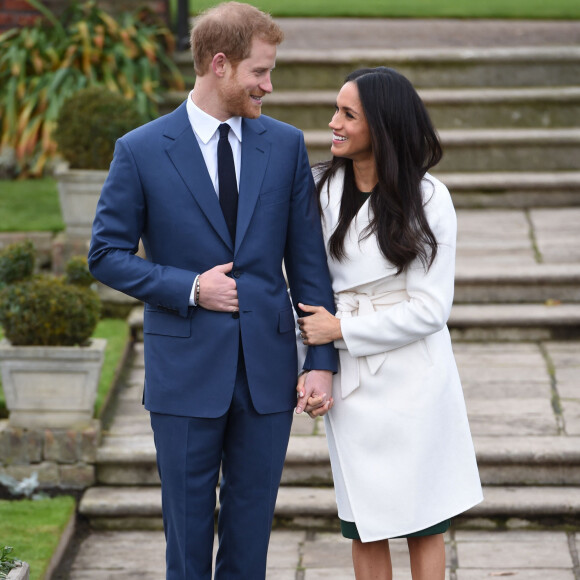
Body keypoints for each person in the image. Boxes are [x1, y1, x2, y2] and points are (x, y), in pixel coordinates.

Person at [88, 3, 337, 579]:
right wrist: (191, 288)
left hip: (267, 372)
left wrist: (320, 359)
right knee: (187, 539)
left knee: (250, 541)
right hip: (184, 373)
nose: (268, 86)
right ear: (220, 65)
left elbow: (307, 265)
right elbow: (105, 256)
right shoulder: (142, 150)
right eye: (260, 72)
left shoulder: (285, 145)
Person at [295, 67, 483, 580]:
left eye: (347, 114)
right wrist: (313, 364)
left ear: (381, 125)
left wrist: (343, 333)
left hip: (415, 378)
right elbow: (307, 287)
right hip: (353, 385)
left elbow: (429, 309)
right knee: (365, 521)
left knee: (425, 521)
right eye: (335, 109)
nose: (332, 122)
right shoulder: (315, 188)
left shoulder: (428, 198)